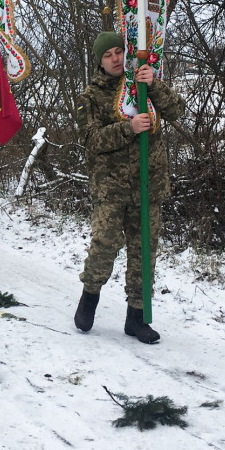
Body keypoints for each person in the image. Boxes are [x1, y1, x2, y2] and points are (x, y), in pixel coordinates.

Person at [73, 31, 185, 344]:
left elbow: (177, 110)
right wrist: (129, 128)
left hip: (149, 184)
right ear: (99, 60)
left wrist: (155, 85)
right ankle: (89, 296)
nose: (115, 58)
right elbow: (91, 141)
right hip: (111, 187)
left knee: (144, 253)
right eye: (107, 54)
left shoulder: (143, 84)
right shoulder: (90, 97)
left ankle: (137, 316)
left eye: (119, 52)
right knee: (105, 244)